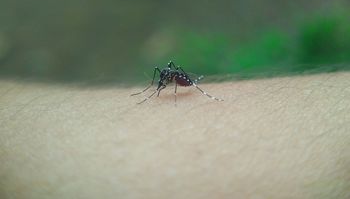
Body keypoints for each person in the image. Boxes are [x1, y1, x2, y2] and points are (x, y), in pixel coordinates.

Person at [0, 72, 349, 198]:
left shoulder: (173, 79)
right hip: (180, 78)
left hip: (186, 79)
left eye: (164, 83)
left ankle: (189, 87)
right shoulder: (165, 75)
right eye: (165, 82)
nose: (166, 82)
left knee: (170, 73)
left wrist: (179, 87)